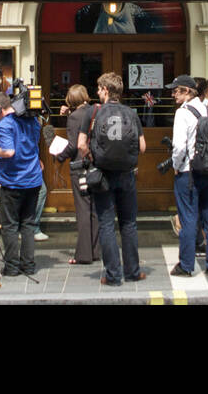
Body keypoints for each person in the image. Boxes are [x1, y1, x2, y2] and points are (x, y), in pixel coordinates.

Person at [77, 72, 147, 286]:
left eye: (99, 89)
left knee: (106, 224)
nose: (97, 93)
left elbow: (80, 144)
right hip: (126, 175)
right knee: (129, 224)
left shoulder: (93, 112)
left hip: (102, 176)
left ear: (106, 90)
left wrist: (92, 157)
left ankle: (113, 275)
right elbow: (143, 147)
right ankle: (133, 271)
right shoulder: (131, 113)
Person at [0, 90, 44, 277]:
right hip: (33, 179)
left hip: (13, 180)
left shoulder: (6, 124)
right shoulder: (33, 121)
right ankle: (28, 265)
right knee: (28, 223)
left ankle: (11, 266)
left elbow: (9, 152)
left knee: (10, 225)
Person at [170, 74, 208, 277]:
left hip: (188, 171)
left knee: (188, 217)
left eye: (176, 90)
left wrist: (175, 165)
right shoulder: (207, 110)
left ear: (187, 91)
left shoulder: (182, 113)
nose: (173, 94)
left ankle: (186, 264)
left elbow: (179, 145)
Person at [56, 84, 101, 265]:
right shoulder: (96, 111)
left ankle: (83, 255)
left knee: (83, 210)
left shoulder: (74, 116)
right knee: (95, 210)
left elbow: (73, 144)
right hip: (96, 165)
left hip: (79, 166)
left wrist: (59, 157)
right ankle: (96, 251)